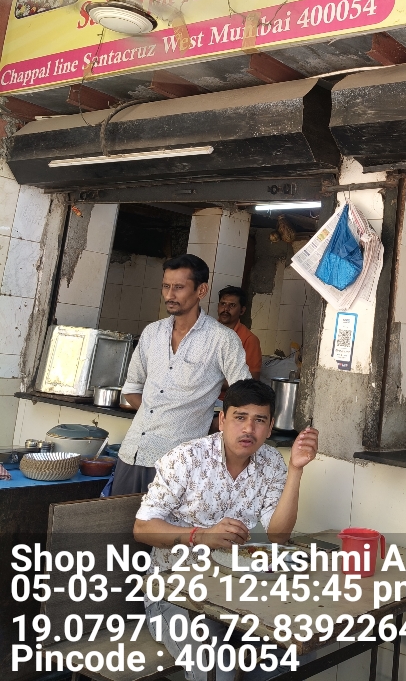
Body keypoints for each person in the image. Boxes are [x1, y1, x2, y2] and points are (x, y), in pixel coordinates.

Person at [133, 379, 319, 681]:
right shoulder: (186, 458)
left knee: (296, 651)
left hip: (238, 593)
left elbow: (278, 536)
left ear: (270, 427)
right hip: (175, 595)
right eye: (239, 417)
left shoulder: (272, 462)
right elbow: (142, 528)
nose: (249, 429)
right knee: (216, 670)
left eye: (259, 420)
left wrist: (296, 469)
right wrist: (200, 536)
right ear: (222, 420)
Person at [110, 254, 250, 496]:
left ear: (201, 290)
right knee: (119, 520)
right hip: (132, 453)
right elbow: (132, 389)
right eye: (166, 286)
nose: (169, 295)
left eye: (178, 287)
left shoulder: (222, 339)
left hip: (181, 462)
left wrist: (209, 423)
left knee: (167, 522)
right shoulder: (152, 333)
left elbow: (246, 397)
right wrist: (159, 413)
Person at [217, 286, 261, 378]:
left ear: (242, 311)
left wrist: (213, 382)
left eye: (232, 305)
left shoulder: (249, 339)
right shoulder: (206, 331)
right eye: (223, 304)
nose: (225, 309)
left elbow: (252, 378)